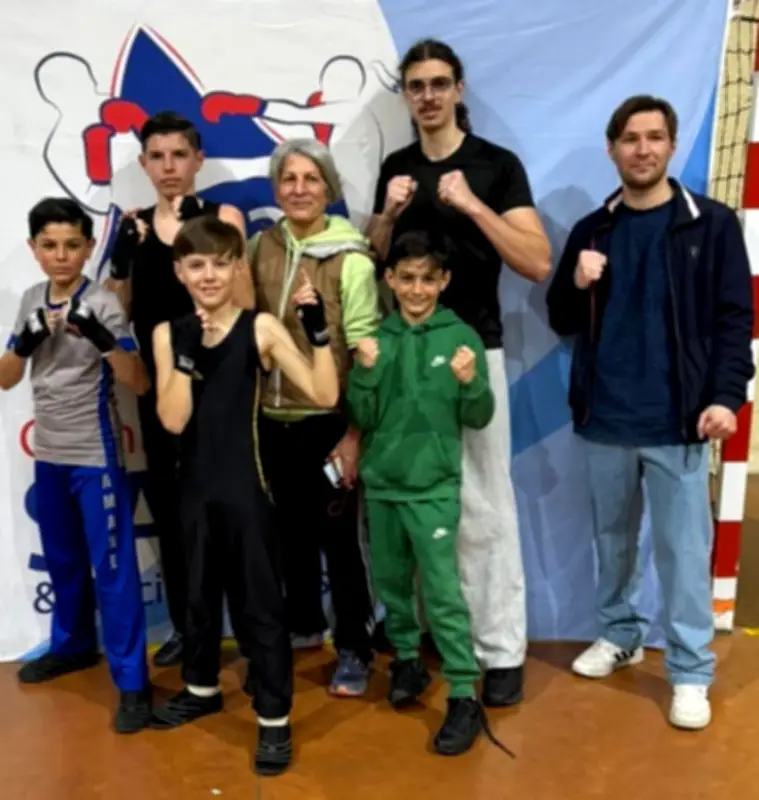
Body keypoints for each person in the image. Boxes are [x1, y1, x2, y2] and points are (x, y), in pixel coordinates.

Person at [545, 95, 754, 730]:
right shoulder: (591, 229)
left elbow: (734, 320)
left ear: (670, 145)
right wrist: (575, 282)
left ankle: (691, 671)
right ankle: (620, 634)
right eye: (630, 138)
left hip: (678, 422)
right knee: (610, 543)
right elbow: (559, 317)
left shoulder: (709, 224)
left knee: (683, 554)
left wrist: (725, 396)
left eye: (654, 137)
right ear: (613, 149)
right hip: (605, 418)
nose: (643, 149)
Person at [366, 39, 552, 707]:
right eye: (415, 85)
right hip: (401, 360)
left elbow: (535, 261)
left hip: (475, 352)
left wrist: (472, 206)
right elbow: (371, 263)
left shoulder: (494, 167)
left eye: (438, 83)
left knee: (483, 509)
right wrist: (386, 213)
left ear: (459, 89)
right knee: (413, 507)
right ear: (405, 95)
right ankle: (430, 647)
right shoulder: (396, 167)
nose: (428, 95)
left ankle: (499, 651)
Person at [149, 214, 340, 775]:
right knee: (198, 599)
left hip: (247, 488)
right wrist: (184, 355)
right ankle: (203, 688)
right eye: (196, 265)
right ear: (180, 271)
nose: (209, 275)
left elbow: (325, 393)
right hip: (194, 489)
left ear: (237, 266)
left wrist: (319, 333)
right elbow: (173, 419)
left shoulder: (259, 328)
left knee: (259, 605)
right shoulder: (168, 333)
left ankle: (274, 720)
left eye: (219, 263)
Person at [105, 111, 253, 668]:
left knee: (229, 508)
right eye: (157, 157)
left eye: (178, 155)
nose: (168, 167)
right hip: (162, 387)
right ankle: (192, 629)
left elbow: (249, 303)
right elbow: (117, 314)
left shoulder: (224, 216)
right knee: (173, 512)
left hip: (220, 388)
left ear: (196, 160)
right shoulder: (133, 223)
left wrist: (199, 239)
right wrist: (122, 258)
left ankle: (242, 626)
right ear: (144, 164)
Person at [0, 198, 151, 733]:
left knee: (112, 570)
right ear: (34, 250)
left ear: (88, 248)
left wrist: (105, 340)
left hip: (95, 455)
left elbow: (138, 381)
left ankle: (133, 683)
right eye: (50, 245)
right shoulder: (29, 299)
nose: (61, 256)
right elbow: (5, 377)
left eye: (72, 245)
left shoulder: (105, 303)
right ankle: (73, 646)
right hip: (50, 454)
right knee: (63, 560)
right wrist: (24, 340)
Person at [347, 230, 494, 755]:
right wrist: (363, 374)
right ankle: (407, 659)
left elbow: (479, 416)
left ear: (443, 281)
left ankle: (461, 692)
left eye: (427, 279)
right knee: (390, 581)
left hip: (433, 488)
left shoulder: (461, 338)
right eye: (405, 278)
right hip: (383, 486)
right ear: (389, 280)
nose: (416, 289)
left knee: (441, 590)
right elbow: (361, 415)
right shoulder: (376, 341)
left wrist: (472, 380)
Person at [249, 138, 378, 696]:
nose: (299, 189)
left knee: (339, 541)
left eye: (311, 178)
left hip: (327, 423)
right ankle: (303, 626)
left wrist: (353, 433)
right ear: (276, 188)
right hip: (268, 420)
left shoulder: (351, 259)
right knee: (283, 535)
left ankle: (354, 646)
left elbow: (367, 354)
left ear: (328, 187)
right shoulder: (260, 245)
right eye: (289, 179)